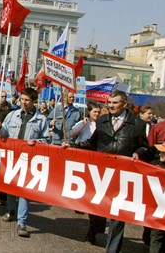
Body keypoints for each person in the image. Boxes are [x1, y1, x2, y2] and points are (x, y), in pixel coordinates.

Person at [63, 90, 148, 251]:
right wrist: (72, 146)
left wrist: (139, 153)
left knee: (118, 214)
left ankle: (112, 248)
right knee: (97, 207)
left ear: (124, 103)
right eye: (109, 103)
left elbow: (145, 146)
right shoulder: (102, 121)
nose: (110, 106)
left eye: (114, 103)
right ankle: (94, 231)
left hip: (123, 175)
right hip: (101, 174)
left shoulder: (137, 124)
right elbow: (91, 143)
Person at [0, 87, 49, 238]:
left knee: (24, 190)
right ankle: (11, 211)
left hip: (29, 160)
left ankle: (22, 222)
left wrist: (36, 142)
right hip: (12, 157)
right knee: (11, 186)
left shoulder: (41, 119)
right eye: (22, 99)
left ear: (34, 101)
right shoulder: (12, 114)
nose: (24, 102)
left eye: (27, 100)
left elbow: (46, 140)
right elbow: (4, 133)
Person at [138, 140, 165, 253]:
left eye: (164, 152)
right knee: (151, 236)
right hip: (155, 209)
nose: (160, 154)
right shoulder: (154, 164)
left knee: (163, 237)